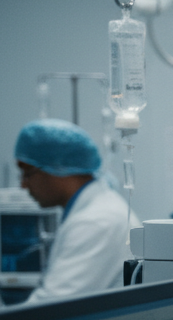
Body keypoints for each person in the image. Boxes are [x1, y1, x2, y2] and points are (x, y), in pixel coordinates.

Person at [14, 119, 135, 304]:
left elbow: (49, 311)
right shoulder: (96, 208)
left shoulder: (96, 222)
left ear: (57, 168)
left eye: (28, 173)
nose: (23, 185)